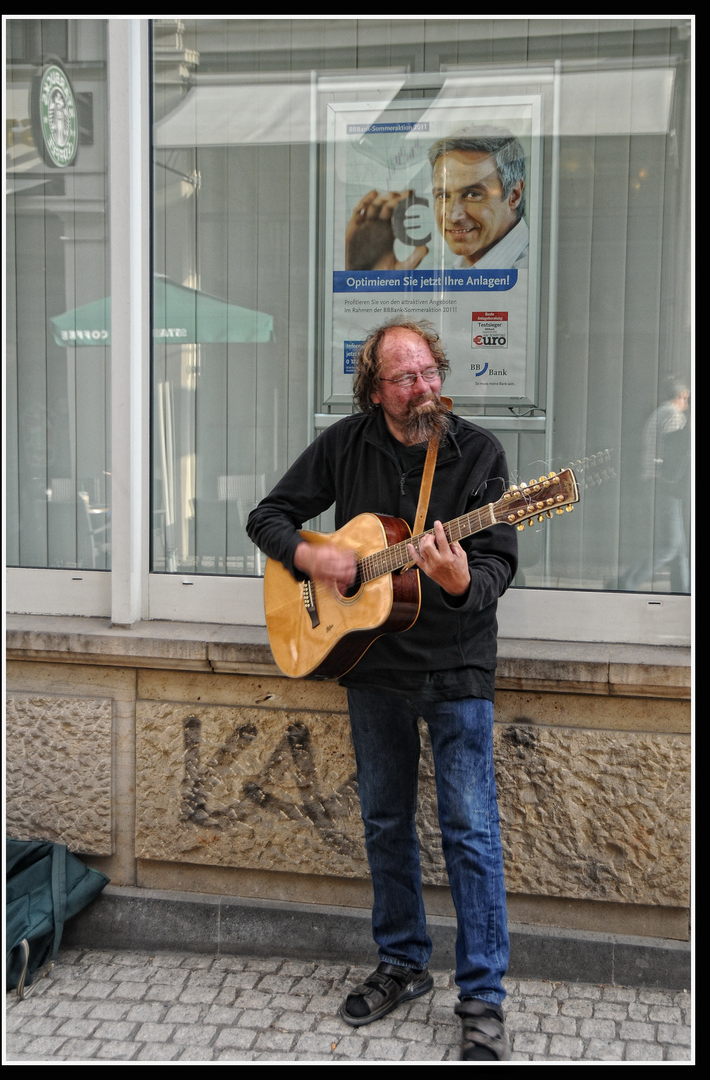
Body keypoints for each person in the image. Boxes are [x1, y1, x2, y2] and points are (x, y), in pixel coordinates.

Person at [246, 319, 518, 1061]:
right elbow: (266, 517)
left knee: (469, 830)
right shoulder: (345, 444)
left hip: (456, 667)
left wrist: (461, 581)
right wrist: (314, 557)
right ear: (374, 390)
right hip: (370, 666)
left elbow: (495, 568)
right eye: (405, 378)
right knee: (384, 820)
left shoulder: (478, 454)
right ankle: (401, 963)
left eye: (429, 371)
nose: (424, 388)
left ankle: (483, 997)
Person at [345, 127, 528, 272]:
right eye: (443, 195)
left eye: (472, 194)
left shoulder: (533, 270)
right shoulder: (462, 268)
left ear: (514, 195)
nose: (452, 216)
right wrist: (370, 282)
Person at [621, 375, 690, 593]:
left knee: (679, 547)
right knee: (670, 545)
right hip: (665, 485)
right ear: (681, 395)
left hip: (655, 482)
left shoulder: (659, 413)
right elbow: (674, 453)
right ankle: (625, 582)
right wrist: (674, 478)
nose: (688, 403)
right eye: (687, 398)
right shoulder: (673, 416)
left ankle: (683, 590)